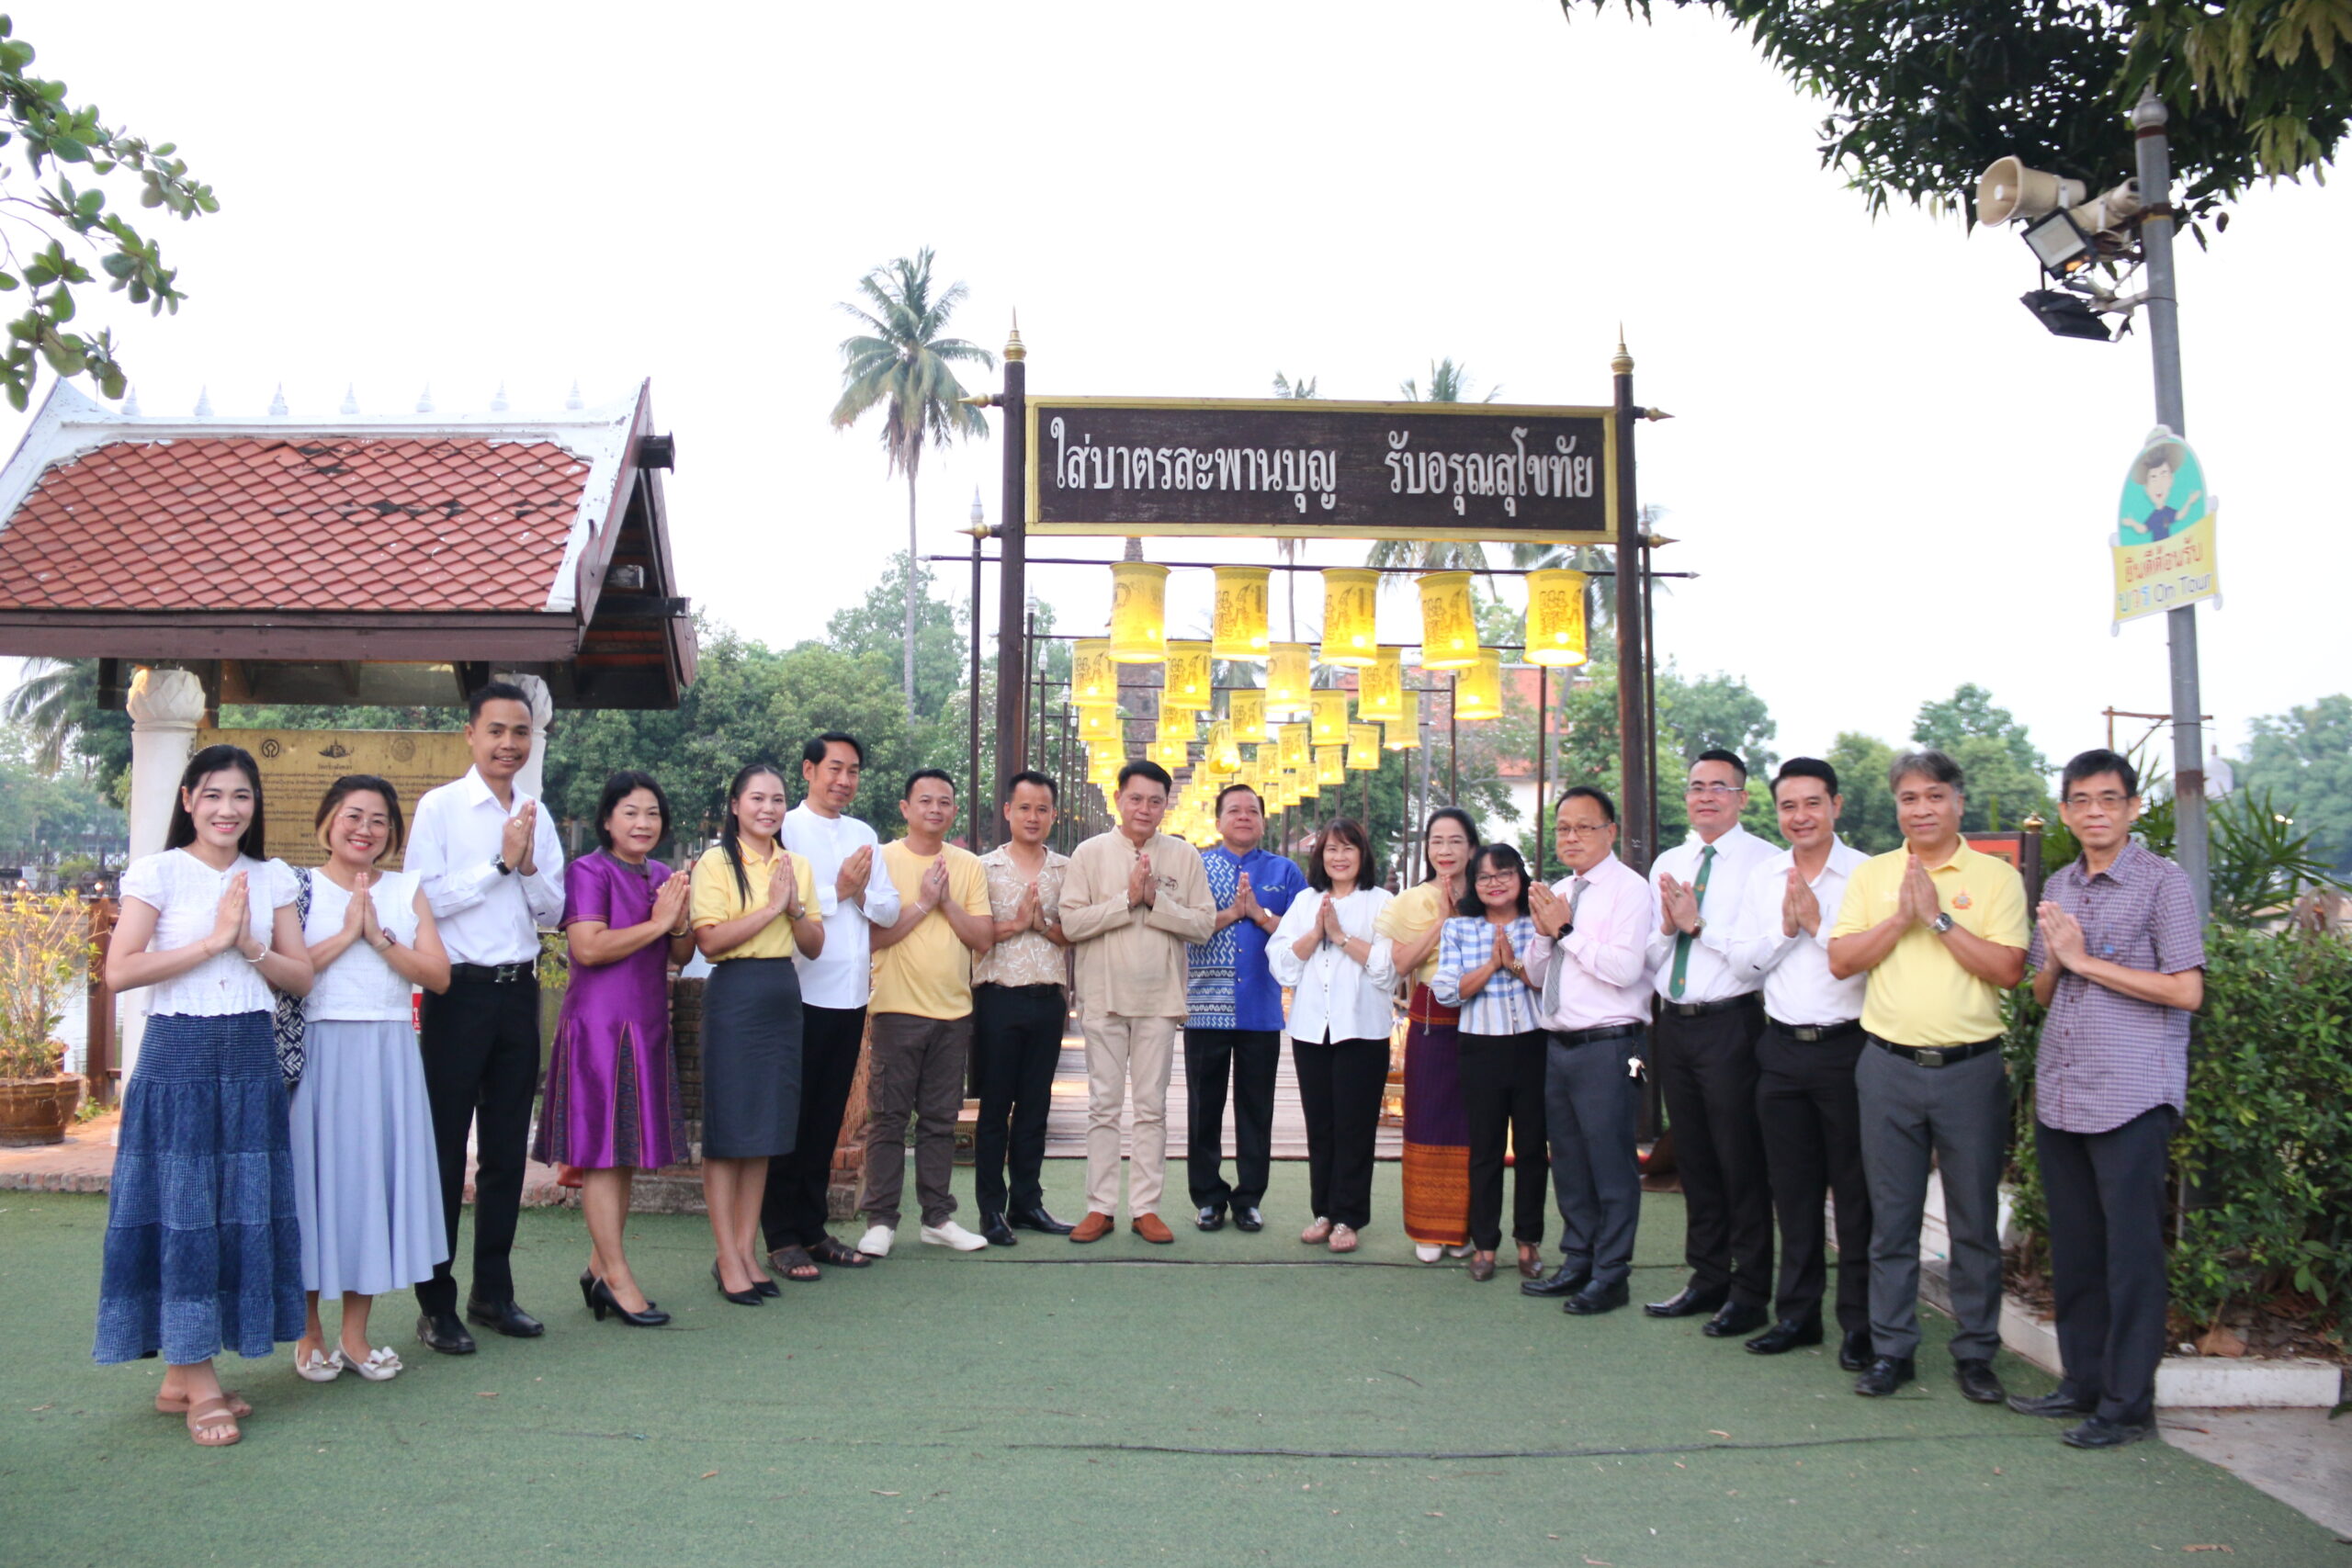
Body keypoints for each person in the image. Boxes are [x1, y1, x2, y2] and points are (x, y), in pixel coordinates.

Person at [96, 744, 313, 1447]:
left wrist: (246, 944)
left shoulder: (272, 876)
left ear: (255, 804)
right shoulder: (158, 871)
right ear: (188, 799)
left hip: (250, 1059)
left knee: (236, 1212)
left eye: (241, 795)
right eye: (214, 794)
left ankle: (178, 1378)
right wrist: (213, 941)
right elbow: (120, 971)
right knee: (184, 1213)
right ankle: (200, 1380)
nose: (228, 808)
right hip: (177, 1058)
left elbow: (300, 977)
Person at [2014, 750, 2203, 1450]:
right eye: (2082, 800)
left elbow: (2186, 989)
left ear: (2132, 807)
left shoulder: (2163, 882)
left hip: (2132, 1095)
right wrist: (2058, 959)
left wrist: (2085, 959)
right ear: (2065, 811)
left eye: (2109, 799)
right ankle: (2083, 1382)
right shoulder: (2060, 884)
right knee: (2077, 1249)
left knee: (2131, 1259)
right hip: (2063, 1091)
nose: (2096, 811)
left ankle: (2127, 1405)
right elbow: (2042, 990)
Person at [1829, 749, 2029, 1404]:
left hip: (1970, 1070)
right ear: (1897, 807)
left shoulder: (1996, 878)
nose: (1921, 809)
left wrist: (1938, 918)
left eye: (1934, 796)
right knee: (1892, 1220)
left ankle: (1975, 1353)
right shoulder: (1874, 875)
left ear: (1958, 803)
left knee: (1973, 1221)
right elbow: (1841, 960)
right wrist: (1901, 917)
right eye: (1909, 798)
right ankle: (1893, 1350)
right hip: (1887, 1066)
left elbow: (2008, 970)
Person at [405, 680, 565, 1354]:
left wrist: (524, 867)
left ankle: (492, 1292)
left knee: (504, 1150)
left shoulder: (537, 813)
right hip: (459, 992)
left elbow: (553, 909)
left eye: (520, 732)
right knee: (444, 1150)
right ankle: (435, 1302)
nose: (508, 743)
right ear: (470, 734)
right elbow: (423, 900)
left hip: (517, 992)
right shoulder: (440, 807)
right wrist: (499, 863)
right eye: (496, 730)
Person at [289, 776, 451, 1384]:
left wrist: (378, 937)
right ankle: (309, 1331)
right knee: (313, 1187)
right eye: (353, 815)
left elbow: (437, 975)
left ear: (393, 833)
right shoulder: (295, 885)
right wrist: (345, 933)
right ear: (327, 821)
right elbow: (285, 971)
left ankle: (355, 1334)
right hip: (319, 1048)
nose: (365, 829)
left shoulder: (407, 889)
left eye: (379, 820)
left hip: (388, 1051)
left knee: (373, 1187)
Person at [1722, 759, 1872, 1367]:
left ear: (1836, 805)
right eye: (1789, 806)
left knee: (1856, 1195)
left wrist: (1818, 924)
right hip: (1781, 1048)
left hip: (1850, 1046)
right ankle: (1797, 1315)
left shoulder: (1866, 874)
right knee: (1793, 1190)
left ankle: (1860, 1323)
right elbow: (1740, 963)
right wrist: (1787, 930)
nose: (1801, 816)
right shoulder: (1765, 877)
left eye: (1813, 803)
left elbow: (1874, 960)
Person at [534, 771, 694, 1326]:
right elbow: (589, 947)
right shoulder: (588, 870)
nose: (643, 823)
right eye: (630, 812)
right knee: (603, 1153)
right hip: (599, 1029)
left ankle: (599, 1267)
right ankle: (618, 1279)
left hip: (646, 1025)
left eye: (652, 813)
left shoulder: (662, 875)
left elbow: (680, 954)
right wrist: (659, 921)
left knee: (624, 1153)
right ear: (606, 820)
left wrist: (679, 921)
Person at [1643, 748, 1780, 1337]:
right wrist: (1668, 927)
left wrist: (1699, 925)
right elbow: (1651, 954)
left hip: (1731, 1023)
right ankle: (1707, 1277)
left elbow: (1760, 958)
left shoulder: (1766, 864)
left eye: (1719, 787)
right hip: (1674, 1023)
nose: (1706, 797)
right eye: (1697, 786)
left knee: (1738, 1159)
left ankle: (1750, 1291)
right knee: (1694, 1158)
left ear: (1742, 798)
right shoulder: (1670, 862)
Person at [1058, 761, 1217, 1244]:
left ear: (1166, 805)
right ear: (1118, 800)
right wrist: (1126, 901)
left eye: (1155, 800)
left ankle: (1146, 1208)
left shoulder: (1183, 855)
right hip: (1103, 996)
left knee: (1151, 1108)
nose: (1144, 808)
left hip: (1159, 1000)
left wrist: (1155, 902)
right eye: (1136, 798)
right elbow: (1071, 924)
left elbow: (1203, 925)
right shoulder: (1089, 854)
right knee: (1103, 1106)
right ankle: (1100, 1207)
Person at [690, 763, 824, 1304]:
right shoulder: (716, 862)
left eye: (777, 800)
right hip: (735, 996)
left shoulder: (796, 865)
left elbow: (813, 944)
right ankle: (726, 1256)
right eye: (757, 799)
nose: (768, 809)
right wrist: (771, 906)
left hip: (781, 996)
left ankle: (747, 1251)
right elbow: (709, 941)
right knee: (729, 1135)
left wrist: (793, 907)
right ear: (735, 805)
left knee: (765, 1133)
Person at [766, 732, 899, 1275]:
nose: (844, 781)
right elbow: (778, 903)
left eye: (853, 771)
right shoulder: (784, 828)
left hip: (850, 996)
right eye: (834, 769)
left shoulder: (863, 834)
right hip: (798, 994)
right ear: (808, 770)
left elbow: (888, 910)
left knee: (826, 1120)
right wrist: (840, 890)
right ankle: (780, 1234)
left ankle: (812, 1228)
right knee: (790, 1120)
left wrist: (860, 892)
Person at [1522, 786, 1654, 1316]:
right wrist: (1543, 935)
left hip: (1610, 1044)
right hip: (1558, 1043)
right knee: (1570, 1162)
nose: (1571, 837)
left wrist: (1566, 930)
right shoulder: (1559, 890)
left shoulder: (1631, 890)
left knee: (1610, 1161)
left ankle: (1612, 1272)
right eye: (1563, 828)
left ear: (1610, 832)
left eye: (1583, 827)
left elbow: (1624, 969)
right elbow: (1536, 975)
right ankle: (1578, 1259)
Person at [856, 769, 995, 1257]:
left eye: (944, 802)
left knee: (940, 1120)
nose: (935, 809)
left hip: (953, 1012)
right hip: (896, 1009)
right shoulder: (882, 860)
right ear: (906, 808)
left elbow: (982, 938)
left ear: (954, 810)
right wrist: (922, 903)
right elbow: (872, 937)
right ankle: (880, 1220)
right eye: (925, 800)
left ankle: (938, 1217)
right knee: (889, 1119)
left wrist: (946, 902)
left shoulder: (967, 865)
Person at [1266, 818, 1396, 1253]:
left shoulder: (1381, 903)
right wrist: (1315, 934)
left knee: (1355, 1127)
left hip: (1362, 1030)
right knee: (1320, 1126)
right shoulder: (1305, 901)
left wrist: (1339, 936)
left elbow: (1387, 968)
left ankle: (1349, 1217)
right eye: (1331, 849)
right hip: (1310, 1030)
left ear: (1363, 855)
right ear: (1320, 856)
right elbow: (1282, 964)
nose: (1339, 857)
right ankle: (1323, 1211)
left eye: (1348, 848)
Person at [1184, 783, 1306, 1233]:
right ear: (1218, 821)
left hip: (1261, 1009)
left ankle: (1249, 1198)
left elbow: (1303, 936)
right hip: (1205, 1006)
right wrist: (1232, 914)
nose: (1243, 817)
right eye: (1233, 810)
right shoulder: (1197, 867)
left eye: (1252, 811)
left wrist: (1258, 914)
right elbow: (1185, 926)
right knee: (1204, 1107)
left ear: (1262, 820)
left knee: (1257, 1110)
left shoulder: (1285, 871)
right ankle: (1208, 1198)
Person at [969, 770, 1075, 1247]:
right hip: (998, 997)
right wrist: (1015, 924)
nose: (1033, 817)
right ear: (1008, 811)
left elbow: (1076, 933)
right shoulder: (983, 868)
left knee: (1036, 1106)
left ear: (1054, 816)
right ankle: (991, 1208)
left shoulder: (1067, 870)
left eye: (1042, 809)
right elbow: (972, 933)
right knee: (995, 1107)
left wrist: (1043, 925)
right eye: (1025, 808)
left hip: (1047, 1000)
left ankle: (1027, 1202)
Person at [1433, 843, 1547, 1282]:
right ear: (1473, 885)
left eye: (1504, 873)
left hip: (1533, 1044)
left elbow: (1549, 982)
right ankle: (1484, 1244)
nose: (1494, 883)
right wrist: (1491, 966)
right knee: (1485, 1150)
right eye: (1484, 877)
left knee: (1532, 1148)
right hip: (1480, 1047)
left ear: (1520, 877)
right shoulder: (1459, 929)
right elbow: (1447, 991)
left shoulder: (1538, 924)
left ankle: (1529, 1242)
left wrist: (1513, 964)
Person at [1375, 808, 1480, 1263]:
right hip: (1432, 1015)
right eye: (1437, 841)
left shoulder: (1488, 891)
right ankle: (1428, 1226)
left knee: (1475, 1120)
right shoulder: (1412, 900)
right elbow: (1401, 964)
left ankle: (1468, 1226)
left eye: (1455, 841)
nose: (1445, 850)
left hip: (1483, 1014)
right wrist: (1442, 922)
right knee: (1428, 1115)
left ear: (1471, 847)